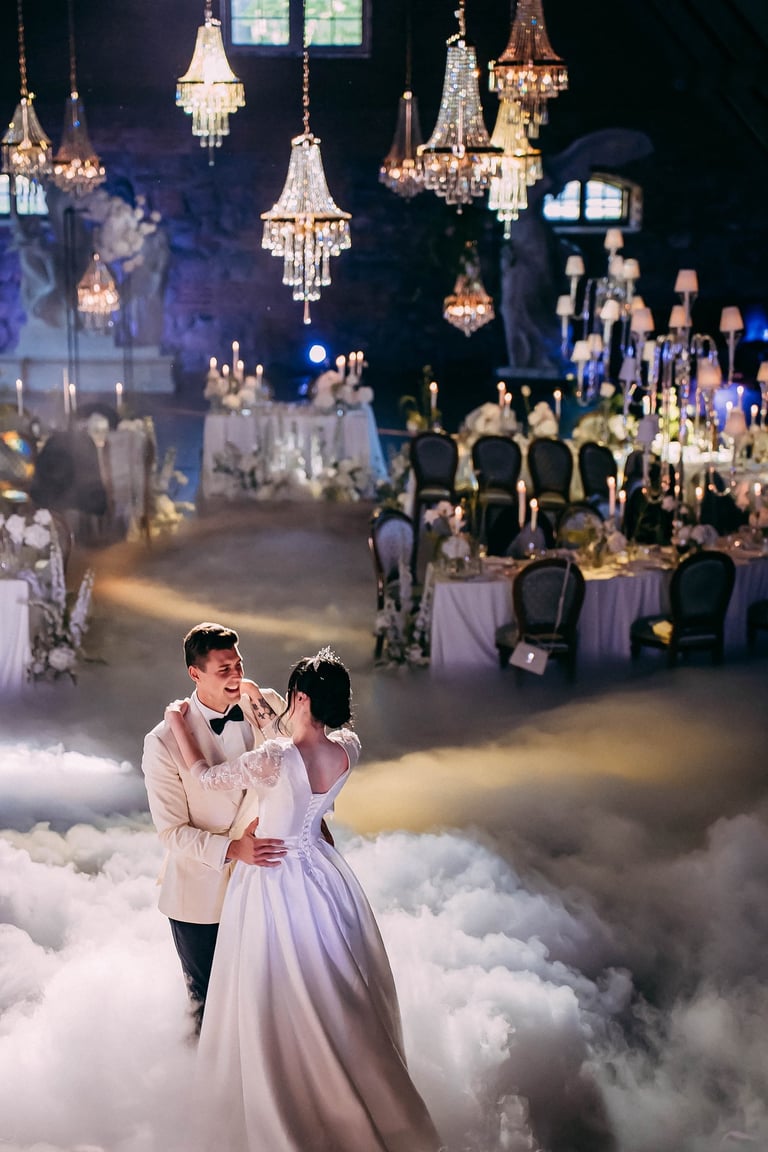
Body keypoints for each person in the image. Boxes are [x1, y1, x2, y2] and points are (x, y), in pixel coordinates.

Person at [165, 647, 442, 1152]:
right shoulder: (348, 748)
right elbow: (293, 753)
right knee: (330, 987)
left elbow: (204, 777)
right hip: (324, 876)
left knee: (272, 991)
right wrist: (256, 698)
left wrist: (177, 724)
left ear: (300, 698)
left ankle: (286, 1091)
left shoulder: (273, 759)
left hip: (272, 876)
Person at [141, 622, 291, 1031]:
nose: (236, 675)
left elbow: (300, 759)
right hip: (199, 896)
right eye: (224, 669)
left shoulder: (264, 704)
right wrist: (232, 848)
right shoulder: (163, 741)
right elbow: (171, 831)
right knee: (207, 1011)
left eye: (238, 664)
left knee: (263, 1000)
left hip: (264, 884)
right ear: (195, 673)